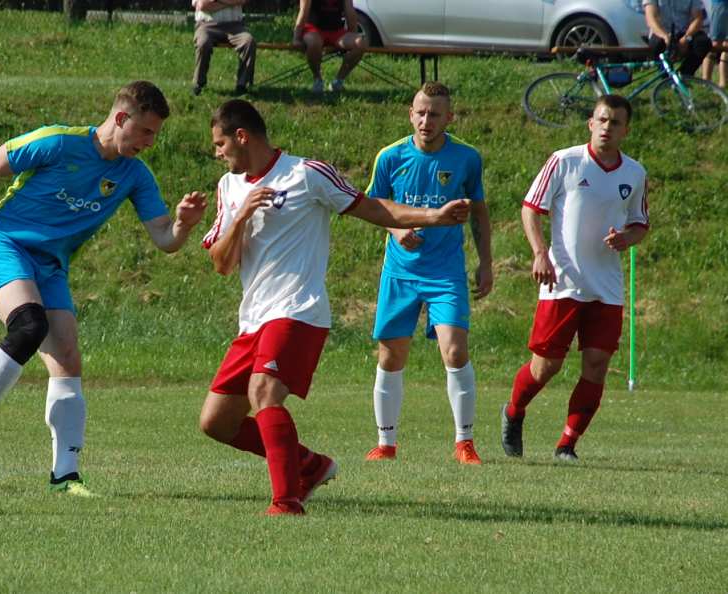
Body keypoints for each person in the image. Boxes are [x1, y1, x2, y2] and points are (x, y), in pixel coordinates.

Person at [0, 81, 208, 495]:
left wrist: (184, 223)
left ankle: (65, 477)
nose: (150, 143)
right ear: (121, 118)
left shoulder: (134, 175)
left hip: (50, 266)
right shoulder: (58, 143)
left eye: (155, 134)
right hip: (2, 246)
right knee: (29, 325)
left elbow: (165, 240)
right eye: (146, 131)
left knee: (67, 354)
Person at [199, 99, 471, 515]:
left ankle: (286, 501)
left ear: (242, 136)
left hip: (298, 309)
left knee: (264, 392)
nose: (217, 153)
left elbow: (371, 206)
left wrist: (433, 216)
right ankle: (311, 465)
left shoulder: (307, 173)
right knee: (216, 422)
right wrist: (242, 215)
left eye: (220, 144)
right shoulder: (229, 187)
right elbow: (221, 262)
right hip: (253, 319)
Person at [501, 95, 650, 463]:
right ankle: (514, 412)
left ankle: (567, 444)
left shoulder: (634, 173)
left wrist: (627, 238)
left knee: (597, 364)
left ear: (625, 130)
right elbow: (530, 208)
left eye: (615, 122)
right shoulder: (565, 161)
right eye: (602, 120)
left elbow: (640, 223)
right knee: (546, 367)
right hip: (562, 282)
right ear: (590, 123)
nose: (607, 128)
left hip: (607, 287)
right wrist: (539, 253)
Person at [363, 82, 493, 466]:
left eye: (434, 114)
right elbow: (374, 206)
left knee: (454, 349)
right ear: (410, 114)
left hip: (445, 272)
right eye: (420, 112)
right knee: (391, 357)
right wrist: (396, 229)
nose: (426, 120)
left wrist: (486, 262)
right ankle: (386, 445)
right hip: (400, 272)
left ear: (448, 118)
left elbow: (480, 211)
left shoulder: (466, 158)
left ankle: (464, 443)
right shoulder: (390, 156)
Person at [292, 0, 366, 93]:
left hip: (336, 31)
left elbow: (350, 14)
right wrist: (296, 38)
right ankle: (317, 79)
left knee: (360, 44)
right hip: (313, 29)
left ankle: (338, 81)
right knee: (314, 43)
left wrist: (353, 35)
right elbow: (303, 12)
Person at [191, 0, 256, 96]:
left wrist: (216, 2)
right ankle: (199, 84)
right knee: (203, 43)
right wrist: (231, 2)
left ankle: (242, 85)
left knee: (248, 41)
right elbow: (202, 5)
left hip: (235, 26)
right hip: (206, 25)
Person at [644, 0, 712, 76]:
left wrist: (686, 37)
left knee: (703, 42)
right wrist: (664, 36)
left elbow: (698, 18)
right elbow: (651, 19)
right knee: (657, 44)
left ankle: (684, 75)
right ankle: (665, 76)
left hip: (685, 32)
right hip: (661, 32)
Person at [702, 0, 728, 88]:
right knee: (714, 44)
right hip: (721, 4)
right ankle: (706, 80)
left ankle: (723, 82)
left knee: (726, 43)